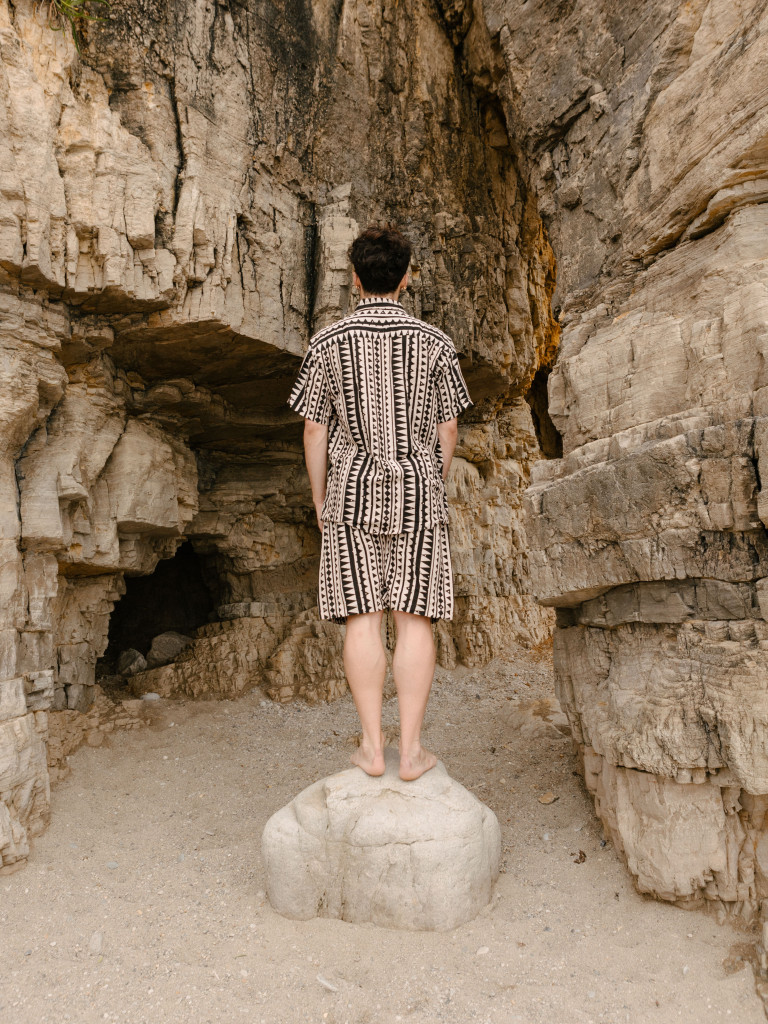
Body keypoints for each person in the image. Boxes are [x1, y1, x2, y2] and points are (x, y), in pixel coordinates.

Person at [287, 225, 472, 781]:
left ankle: (372, 748)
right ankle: (411, 753)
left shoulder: (327, 342)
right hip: (418, 490)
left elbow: (314, 432)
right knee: (415, 619)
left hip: (351, 487)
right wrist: (430, 481)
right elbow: (449, 427)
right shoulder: (436, 343)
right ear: (407, 275)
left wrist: (321, 499)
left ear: (354, 276)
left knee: (362, 618)